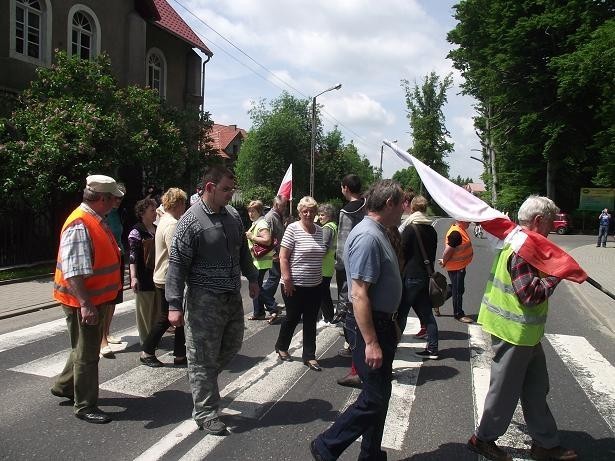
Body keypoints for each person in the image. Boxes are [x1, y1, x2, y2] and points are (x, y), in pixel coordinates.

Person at [467, 196, 578, 461]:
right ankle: (482, 439)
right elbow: (530, 295)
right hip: (513, 332)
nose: (552, 228)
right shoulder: (523, 248)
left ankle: (545, 443)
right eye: (551, 222)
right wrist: (558, 274)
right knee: (504, 392)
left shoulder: (521, 240)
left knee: (536, 388)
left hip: (525, 333)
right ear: (539, 220)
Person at [311, 180, 405, 461]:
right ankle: (327, 445)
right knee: (374, 397)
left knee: (380, 394)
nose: (404, 208)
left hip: (382, 322)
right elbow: (359, 293)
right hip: (370, 324)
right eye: (401, 203)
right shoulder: (368, 236)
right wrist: (372, 341)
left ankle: (371, 454)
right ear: (389, 203)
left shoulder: (378, 231)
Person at [166, 166, 259, 435]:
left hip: (231, 297)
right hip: (203, 301)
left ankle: (201, 382)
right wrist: (173, 305)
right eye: (226, 189)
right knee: (202, 358)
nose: (231, 194)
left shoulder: (232, 217)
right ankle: (206, 412)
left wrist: (252, 278)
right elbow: (177, 265)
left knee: (231, 346)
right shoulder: (190, 222)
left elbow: (242, 253)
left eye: (232, 189)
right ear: (209, 188)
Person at [50, 174, 124, 424]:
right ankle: (85, 405)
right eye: (113, 198)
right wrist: (86, 305)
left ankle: (64, 386)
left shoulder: (94, 218)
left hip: (94, 299)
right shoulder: (81, 223)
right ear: (102, 198)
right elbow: (73, 271)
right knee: (88, 355)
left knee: (81, 347)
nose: (116, 202)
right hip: (83, 301)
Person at [274, 196, 327, 371]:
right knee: (292, 317)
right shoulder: (292, 229)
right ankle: (281, 346)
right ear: (299, 212)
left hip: (315, 285)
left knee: (311, 320)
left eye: (312, 210)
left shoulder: (320, 231)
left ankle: (310, 356)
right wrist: (287, 279)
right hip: (293, 284)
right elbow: (283, 257)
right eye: (305, 210)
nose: (308, 214)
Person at [140, 188, 187, 367]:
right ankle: (147, 351)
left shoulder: (165, 220)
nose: (185, 206)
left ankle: (180, 354)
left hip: (163, 275)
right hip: (169, 277)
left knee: (178, 315)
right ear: (179, 203)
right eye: (183, 203)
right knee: (166, 317)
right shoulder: (171, 224)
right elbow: (176, 254)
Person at [335, 174, 367, 388]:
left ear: (345, 188)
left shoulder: (346, 211)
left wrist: (339, 266)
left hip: (350, 268)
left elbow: (343, 244)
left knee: (350, 313)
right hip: (368, 264)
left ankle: (354, 351)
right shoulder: (368, 206)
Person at [399, 195, 440, 359]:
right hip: (426, 276)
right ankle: (433, 348)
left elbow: (402, 253)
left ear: (413, 209)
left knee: (400, 314)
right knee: (426, 314)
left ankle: (391, 346)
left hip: (411, 276)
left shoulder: (409, 229)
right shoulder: (432, 230)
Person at [100, 182, 126, 359]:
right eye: (116, 197)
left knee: (114, 299)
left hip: (118, 257)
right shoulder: (104, 215)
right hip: (106, 261)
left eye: (121, 198)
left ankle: (107, 333)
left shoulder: (116, 214)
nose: (118, 201)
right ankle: (101, 340)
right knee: (105, 300)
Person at [129, 198, 161, 346]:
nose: (155, 213)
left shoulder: (157, 228)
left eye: (155, 210)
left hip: (156, 276)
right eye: (152, 210)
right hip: (143, 276)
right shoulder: (136, 231)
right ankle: (146, 341)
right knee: (144, 313)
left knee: (156, 310)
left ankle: (153, 338)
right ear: (142, 213)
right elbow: (133, 257)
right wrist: (133, 277)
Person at [260, 194, 289, 323]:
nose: (285, 208)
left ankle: (269, 304)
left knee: (275, 279)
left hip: (278, 254)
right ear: (276, 205)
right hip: (274, 255)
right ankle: (269, 302)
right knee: (273, 279)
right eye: (283, 205)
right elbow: (268, 238)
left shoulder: (278, 216)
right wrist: (273, 254)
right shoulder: (271, 217)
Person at [438, 220, 474, 323]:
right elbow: (448, 250)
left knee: (457, 287)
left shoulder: (459, 229)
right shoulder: (456, 233)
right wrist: (444, 261)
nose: (469, 223)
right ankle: (458, 314)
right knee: (458, 290)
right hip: (456, 267)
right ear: (461, 220)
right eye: (467, 221)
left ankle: (436, 301)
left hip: (459, 265)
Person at [245, 200, 274, 320]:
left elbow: (267, 240)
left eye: (254, 211)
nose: (251, 214)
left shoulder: (261, 224)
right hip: (257, 260)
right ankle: (259, 312)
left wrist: (252, 237)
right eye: (249, 211)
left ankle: (273, 307)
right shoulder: (256, 223)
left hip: (260, 261)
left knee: (256, 287)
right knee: (256, 286)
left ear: (259, 211)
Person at [318, 203, 338, 325]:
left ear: (329, 215)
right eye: (319, 214)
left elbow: (323, 247)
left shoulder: (327, 228)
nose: (319, 217)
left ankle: (328, 317)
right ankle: (329, 315)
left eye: (322, 215)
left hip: (323, 265)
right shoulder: (333, 226)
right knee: (324, 292)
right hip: (328, 264)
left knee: (323, 293)